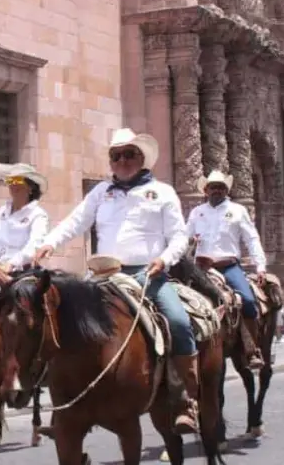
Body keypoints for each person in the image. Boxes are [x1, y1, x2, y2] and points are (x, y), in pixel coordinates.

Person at [34, 128, 200, 434]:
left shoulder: (162, 192)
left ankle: (184, 399)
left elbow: (179, 235)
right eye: (116, 156)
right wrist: (49, 243)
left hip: (147, 273)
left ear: (142, 158)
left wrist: (164, 259)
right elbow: (76, 220)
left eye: (129, 154)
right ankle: (61, 409)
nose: (122, 160)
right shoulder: (101, 192)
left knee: (178, 321)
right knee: (60, 321)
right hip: (102, 275)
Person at [185, 170, 268, 369]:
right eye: (213, 187)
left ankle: (251, 349)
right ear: (206, 190)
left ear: (226, 190)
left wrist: (260, 266)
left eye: (220, 187)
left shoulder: (238, 210)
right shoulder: (197, 212)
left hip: (228, 266)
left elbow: (251, 238)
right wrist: (189, 241)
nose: (216, 191)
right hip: (201, 268)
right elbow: (183, 237)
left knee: (247, 300)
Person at [0, 163, 49, 272]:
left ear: (30, 187)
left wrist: (12, 264)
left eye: (18, 180)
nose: (13, 184)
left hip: (22, 272)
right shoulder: (2, 211)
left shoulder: (38, 215)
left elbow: (34, 245)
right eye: (10, 181)